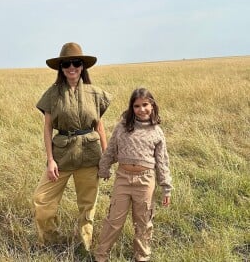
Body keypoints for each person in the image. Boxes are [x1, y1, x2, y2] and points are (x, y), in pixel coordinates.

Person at [33, 42, 112, 252]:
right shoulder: (53, 93)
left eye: (76, 63)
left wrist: (106, 157)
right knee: (42, 201)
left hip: (90, 155)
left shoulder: (95, 93)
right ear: (61, 67)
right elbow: (48, 128)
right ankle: (51, 242)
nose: (71, 67)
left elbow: (100, 127)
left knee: (88, 207)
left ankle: (83, 245)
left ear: (82, 66)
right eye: (66, 63)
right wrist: (50, 160)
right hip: (62, 156)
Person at [94, 87, 173, 262]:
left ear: (152, 105)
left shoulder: (156, 131)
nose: (141, 109)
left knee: (143, 222)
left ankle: (142, 256)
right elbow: (111, 149)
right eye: (137, 106)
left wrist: (166, 188)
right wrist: (104, 168)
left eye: (145, 105)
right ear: (132, 108)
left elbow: (162, 162)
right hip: (122, 179)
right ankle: (101, 256)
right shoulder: (122, 127)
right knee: (114, 220)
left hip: (145, 181)